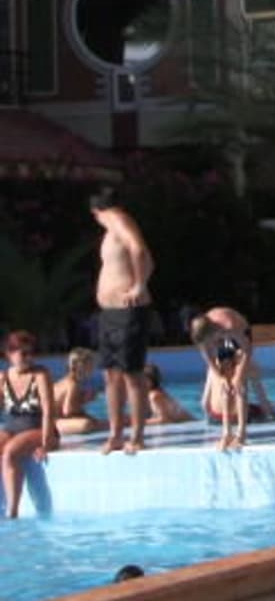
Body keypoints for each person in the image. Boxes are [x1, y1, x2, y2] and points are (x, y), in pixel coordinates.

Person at [91, 188, 154, 455]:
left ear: (96, 212)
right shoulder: (112, 231)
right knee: (110, 374)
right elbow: (150, 261)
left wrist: (139, 286)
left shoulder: (118, 219)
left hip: (128, 311)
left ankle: (137, 436)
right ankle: (116, 434)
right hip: (110, 313)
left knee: (131, 374)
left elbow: (139, 250)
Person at [190, 307, 275, 447]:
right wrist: (220, 377)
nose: (209, 345)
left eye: (210, 342)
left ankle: (241, 434)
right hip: (220, 336)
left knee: (240, 386)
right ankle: (226, 433)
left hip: (241, 338)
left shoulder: (230, 327)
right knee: (225, 385)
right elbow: (207, 355)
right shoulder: (202, 334)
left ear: (212, 332)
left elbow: (247, 350)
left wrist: (238, 375)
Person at [1, 331, 58, 519]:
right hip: (12, 429)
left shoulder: (40, 375)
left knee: (10, 452)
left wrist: (46, 443)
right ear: (9, 354)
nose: (28, 358)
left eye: (31, 353)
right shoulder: (3, 377)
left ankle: (12, 511)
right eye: (23, 353)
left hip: (37, 429)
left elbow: (49, 411)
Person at [54, 347, 101, 435]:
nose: (92, 368)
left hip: (52, 420)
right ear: (81, 366)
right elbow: (67, 412)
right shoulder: (73, 385)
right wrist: (84, 400)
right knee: (87, 424)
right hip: (55, 423)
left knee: (93, 421)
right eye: (90, 365)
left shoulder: (64, 381)